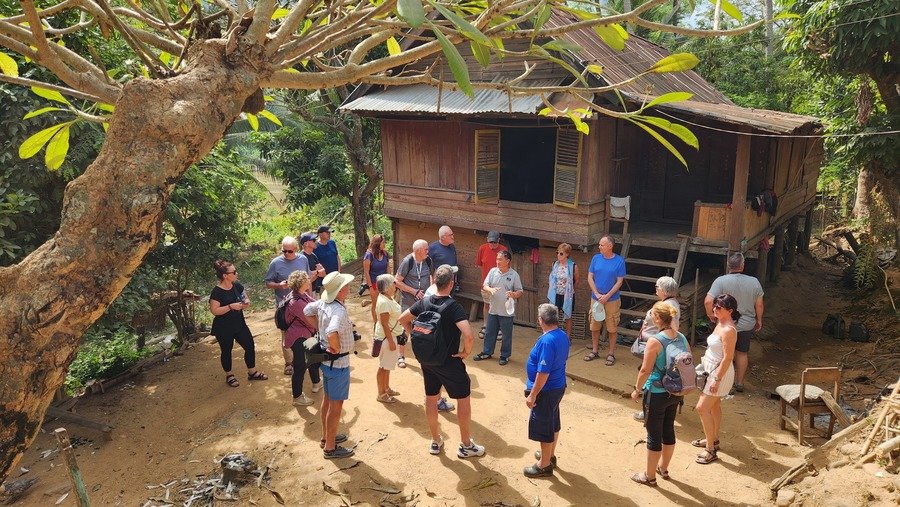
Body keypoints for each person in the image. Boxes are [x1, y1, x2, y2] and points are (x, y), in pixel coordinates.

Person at [397, 264, 485, 459]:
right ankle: (465, 445)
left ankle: (436, 440)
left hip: (427, 360)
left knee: (431, 397)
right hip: (449, 361)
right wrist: (465, 352)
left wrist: (414, 336)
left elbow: (403, 319)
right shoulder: (454, 307)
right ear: (451, 284)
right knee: (463, 399)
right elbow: (469, 335)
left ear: (434, 282)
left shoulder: (424, 302)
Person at [629, 302, 690, 486]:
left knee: (653, 434)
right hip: (676, 391)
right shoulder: (681, 338)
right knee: (668, 429)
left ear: (657, 319)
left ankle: (649, 476)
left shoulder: (655, 341)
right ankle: (663, 468)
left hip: (656, 391)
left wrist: (637, 389)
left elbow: (645, 369)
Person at [304, 271, 356, 459]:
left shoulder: (323, 303)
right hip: (338, 363)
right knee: (336, 406)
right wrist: (333, 344)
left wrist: (320, 330)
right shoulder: (338, 310)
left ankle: (327, 438)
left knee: (327, 400)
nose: (349, 288)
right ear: (341, 290)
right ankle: (330, 448)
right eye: (346, 286)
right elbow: (333, 330)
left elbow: (306, 311)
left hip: (327, 363)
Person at [704, 252, 763, 393]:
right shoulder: (754, 281)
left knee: (725, 355)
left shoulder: (720, 281)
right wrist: (759, 320)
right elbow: (759, 305)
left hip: (725, 325)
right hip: (746, 324)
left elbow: (707, 301)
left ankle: (726, 384)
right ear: (743, 265)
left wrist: (711, 315)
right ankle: (739, 383)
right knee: (742, 353)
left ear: (728, 265)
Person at [523, 304, 570, 478]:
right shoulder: (562, 335)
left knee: (544, 425)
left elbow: (543, 372)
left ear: (541, 320)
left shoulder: (547, 341)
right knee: (553, 422)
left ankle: (544, 465)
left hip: (547, 390)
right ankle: (549, 456)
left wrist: (533, 394)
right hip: (557, 387)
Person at [693, 294, 738, 465]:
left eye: (719, 307)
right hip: (712, 369)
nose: (715, 310)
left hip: (720, 373)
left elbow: (727, 358)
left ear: (730, 310)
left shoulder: (729, 330)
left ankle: (710, 450)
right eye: (715, 306)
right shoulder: (720, 323)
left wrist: (716, 379)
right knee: (714, 407)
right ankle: (713, 438)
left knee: (702, 408)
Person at [209, 260, 267, 387]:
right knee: (226, 351)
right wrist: (230, 307)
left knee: (250, 346)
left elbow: (244, 297)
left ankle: (252, 372)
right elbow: (214, 311)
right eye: (233, 272)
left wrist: (245, 302)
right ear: (225, 275)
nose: (236, 273)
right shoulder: (217, 292)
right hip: (223, 327)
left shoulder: (236, 285)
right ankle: (229, 375)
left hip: (239, 323)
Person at [633, 276, 681, 422]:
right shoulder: (670, 303)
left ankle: (647, 410)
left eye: (657, 287)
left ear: (664, 290)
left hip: (657, 347)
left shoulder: (669, 306)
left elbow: (674, 327)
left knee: (650, 376)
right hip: (658, 345)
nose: (656, 289)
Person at [264, 236, 309, 375]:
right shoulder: (275, 263)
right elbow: (268, 283)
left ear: (296, 249)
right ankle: (289, 362)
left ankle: (303, 359)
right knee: (286, 333)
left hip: (302, 303)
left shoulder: (303, 259)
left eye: (290, 251)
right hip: (284, 306)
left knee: (306, 330)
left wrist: (310, 297)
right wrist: (279, 285)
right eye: (284, 251)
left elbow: (307, 279)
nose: (286, 254)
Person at [473, 250, 523, 366]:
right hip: (493, 309)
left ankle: (504, 356)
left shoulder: (514, 275)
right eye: (497, 259)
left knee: (506, 335)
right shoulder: (493, 271)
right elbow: (485, 285)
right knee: (490, 332)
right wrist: (490, 290)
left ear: (508, 261)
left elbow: (520, 291)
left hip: (507, 311)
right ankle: (487, 352)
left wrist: (514, 294)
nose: (497, 262)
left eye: (500, 259)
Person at [585, 235, 625, 366]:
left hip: (612, 299)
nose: (599, 247)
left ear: (610, 246)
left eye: (602, 245)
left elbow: (619, 282)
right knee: (595, 325)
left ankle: (611, 353)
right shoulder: (596, 258)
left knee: (612, 327)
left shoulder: (619, 261)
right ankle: (595, 350)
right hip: (596, 298)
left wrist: (607, 295)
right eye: (599, 245)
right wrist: (596, 293)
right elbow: (590, 277)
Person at [394, 239, 433, 370]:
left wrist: (431, 291)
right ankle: (400, 356)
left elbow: (432, 277)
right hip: (408, 302)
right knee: (404, 328)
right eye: (426, 249)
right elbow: (397, 281)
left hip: (424, 303)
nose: (428, 251)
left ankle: (425, 357)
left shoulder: (428, 260)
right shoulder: (407, 262)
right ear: (418, 251)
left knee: (424, 329)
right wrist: (414, 291)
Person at [284, 270, 321, 406]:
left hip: (306, 335)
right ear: (301, 283)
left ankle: (316, 383)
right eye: (307, 279)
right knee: (300, 367)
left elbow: (315, 303)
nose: (309, 280)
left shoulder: (301, 295)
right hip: (298, 338)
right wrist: (323, 329)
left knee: (312, 359)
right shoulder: (296, 302)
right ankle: (297, 397)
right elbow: (310, 320)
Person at [373, 274, 402, 403]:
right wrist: (391, 341)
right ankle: (381, 394)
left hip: (389, 336)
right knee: (383, 367)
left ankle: (386, 389)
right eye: (393, 283)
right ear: (388, 286)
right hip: (387, 338)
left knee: (387, 366)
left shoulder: (388, 298)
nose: (395, 285)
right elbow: (384, 324)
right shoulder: (384, 302)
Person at [474, 231, 508, 328]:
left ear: (498, 240)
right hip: (487, 284)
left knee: (500, 306)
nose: (492, 244)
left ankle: (499, 327)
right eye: (490, 242)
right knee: (487, 305)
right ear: (487, 240)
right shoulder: (482, 248)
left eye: (494, 242)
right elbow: (480, 264)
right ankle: (486, 324)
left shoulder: (503, 250)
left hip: (500, 285)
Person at [547, 243, 579, 338]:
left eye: (561, 254)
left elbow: (577, 280)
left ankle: (568, 337)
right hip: (555, 294)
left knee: (568, 316)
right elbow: (552, 278)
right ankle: (554, 336)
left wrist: (571, 292)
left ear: (567, 254)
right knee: (554, 315)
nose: (558, 255)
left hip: (567, 295)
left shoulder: (573, 266)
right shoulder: (554, 264)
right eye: (557, 253)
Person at [363, 234, 390, 325]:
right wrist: (370, 286)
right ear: (378, 243)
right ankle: (376, 323)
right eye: (383, 242)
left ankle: (385, 322)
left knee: (385, 303)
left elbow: (387, 268)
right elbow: (366, 272)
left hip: (385, 283)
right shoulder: (369, 255)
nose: (385, 244)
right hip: (374, 284)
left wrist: (390, 280)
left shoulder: (385, 253)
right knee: (375, 304)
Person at [312, 225, 341, 293]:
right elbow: (315, 265)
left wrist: (339, 271)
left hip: (335, 276)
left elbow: (337, 256)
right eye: (327, 233)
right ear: (320, 234)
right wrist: (324, 276)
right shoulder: (315, 247)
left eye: (330, 232)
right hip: (323, 279)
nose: (329, 234)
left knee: (338, 295)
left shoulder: (332, 242)